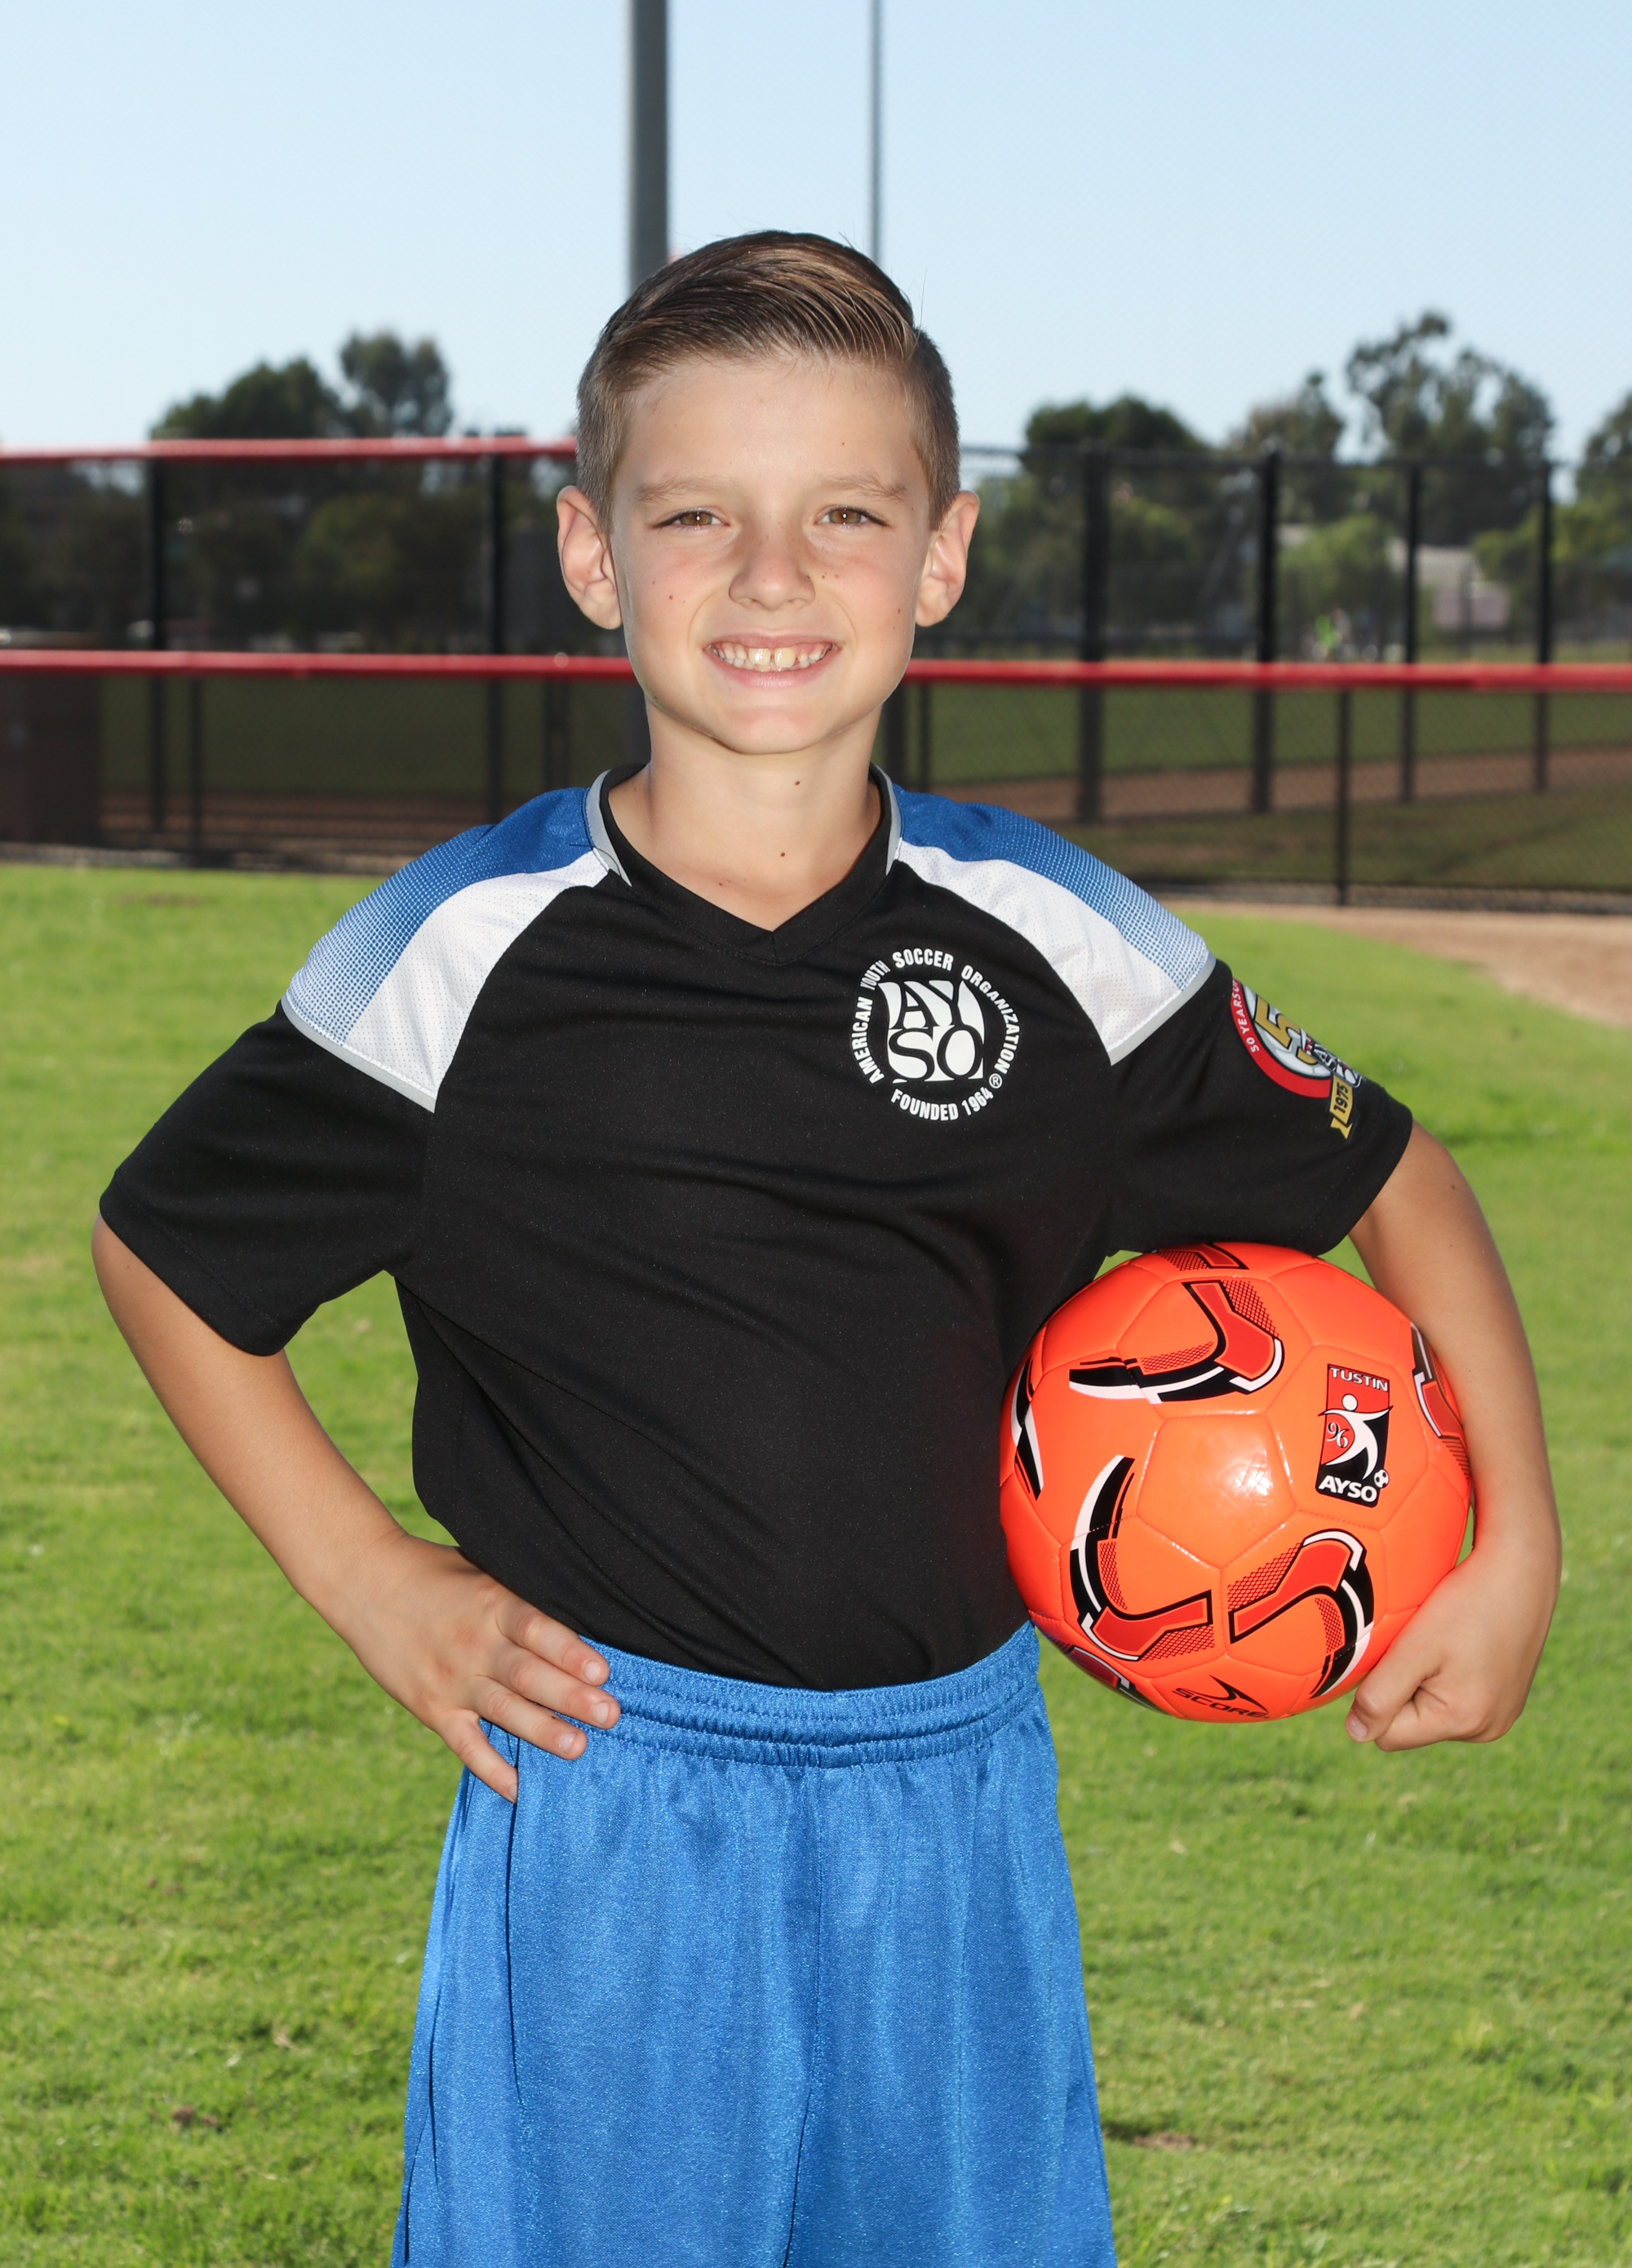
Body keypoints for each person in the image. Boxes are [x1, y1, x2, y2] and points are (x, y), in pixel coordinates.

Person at [94, 233, 1559, 2268]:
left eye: (844, 516)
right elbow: (166, 1248)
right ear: (593, 555)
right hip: (609, 1799)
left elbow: (1392, 1173)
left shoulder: (1057, 938)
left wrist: (1517, 1540)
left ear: (939, 556)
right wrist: (370, 1580)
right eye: (698, 514)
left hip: (953, 1798)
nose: (771, 576)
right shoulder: (456, 955)